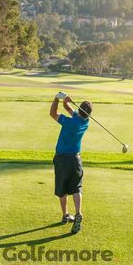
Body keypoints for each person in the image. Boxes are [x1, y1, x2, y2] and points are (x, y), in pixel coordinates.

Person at [49, 93, 92, 234]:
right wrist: (66, 102)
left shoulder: (69, 122)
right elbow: (68, 109)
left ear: (79, 109)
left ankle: (65, 215)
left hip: (62, 158)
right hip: (76, 159)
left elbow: (52, 113)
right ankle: (78, 213)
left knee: (62, 188)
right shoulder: (85, 122)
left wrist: (57, 98)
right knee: (76, 188)